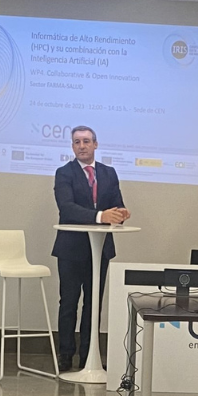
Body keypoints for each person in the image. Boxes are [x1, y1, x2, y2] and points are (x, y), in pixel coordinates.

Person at [51, 126, 128, 374]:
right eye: (77, 142)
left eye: (86, 141)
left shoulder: (108, 173)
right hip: (71, 249)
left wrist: (120, 214)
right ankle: (66, 355)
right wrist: (100, 216)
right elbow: (67, 208)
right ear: (72, 147)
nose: (81, 146)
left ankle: (89, 355)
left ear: (95, 144)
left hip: (100, 249)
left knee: (93, 304)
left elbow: (116, 204)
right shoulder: (64, 173)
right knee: (69, 303)